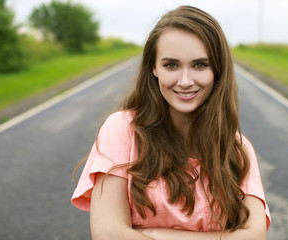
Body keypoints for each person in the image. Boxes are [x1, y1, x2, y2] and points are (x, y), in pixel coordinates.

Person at [72, 5, 271, 240]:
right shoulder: (122, 129)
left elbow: (255, 235)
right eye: (171, 65)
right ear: (154, 68)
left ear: (218, 70)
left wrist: (155, 234)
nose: (185, 81)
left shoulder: (237, 147)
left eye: (200, 64)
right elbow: (107, 235)